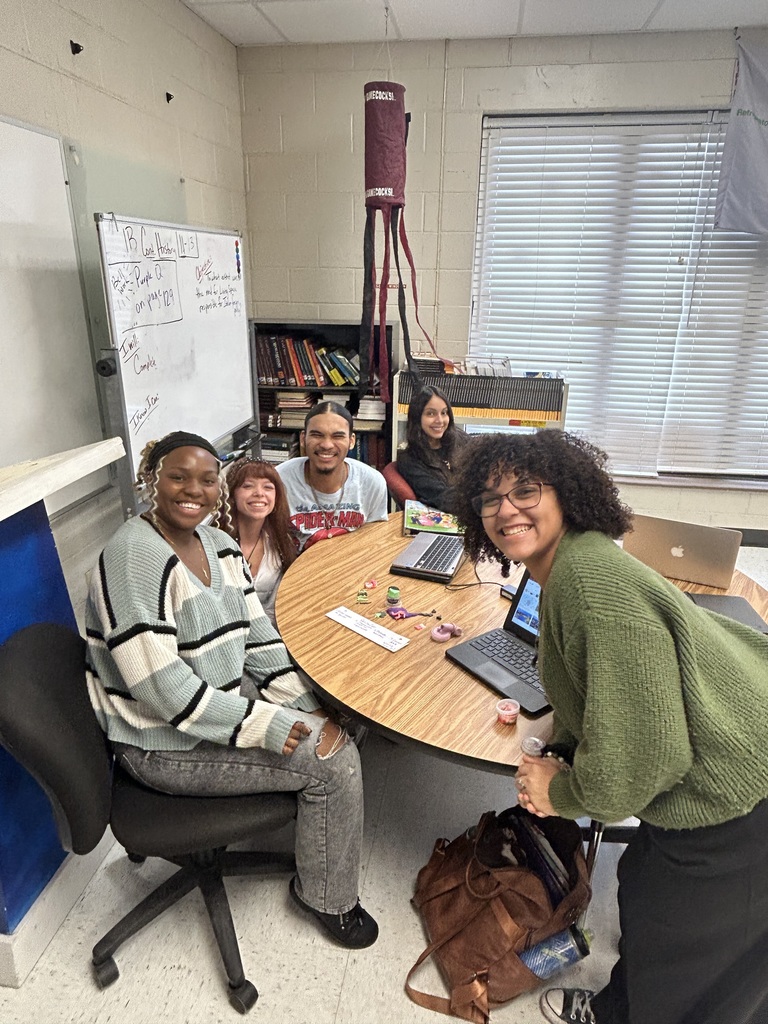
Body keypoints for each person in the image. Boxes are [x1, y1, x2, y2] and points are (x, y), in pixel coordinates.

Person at [452, 428, 768, 1024]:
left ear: (566, 493)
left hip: (738, 787)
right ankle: (620, 1006)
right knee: (647, 894)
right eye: (489, 499)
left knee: (688, 950)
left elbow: (650, 757)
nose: (505, 509)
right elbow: (604, 694)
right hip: (726, 747)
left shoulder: (589, 583)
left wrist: (563, 792)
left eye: (525, 490)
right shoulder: (568, 565)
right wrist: (565, 752)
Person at [85, 430, 378, 949]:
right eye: (178, 477)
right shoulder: (133, 556)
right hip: (161, 743)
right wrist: (267, 724)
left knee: (341, 719)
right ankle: (327, 898)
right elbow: (164, 690)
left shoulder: (219, 545)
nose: (193, 490)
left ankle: (318, 838)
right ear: (151, 480)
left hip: (207, 714)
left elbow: (259, 642)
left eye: (206, 479)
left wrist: (308, 709)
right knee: (335, 761)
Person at [277, 401, 388, 551]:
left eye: (337, 436)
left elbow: (375, 542)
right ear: (303, 438)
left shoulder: (372, 482)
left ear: (351, 441)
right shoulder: (279, 480)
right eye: (317, 435)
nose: (327, 445)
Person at [213, 456, 296, 627]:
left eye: (268, 487)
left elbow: (277, 608)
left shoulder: (280, 543)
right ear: (232, 494)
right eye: (248, 486)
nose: (259, 493)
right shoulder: (212, 542)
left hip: (270, 632)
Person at [396, 385, 469, 510]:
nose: (439, 420)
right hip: (459, 513)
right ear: (417, 417)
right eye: (431, 413)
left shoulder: (460, 438)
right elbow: (444, 498)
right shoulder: (409, 460)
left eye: (444, 413)